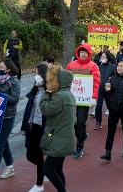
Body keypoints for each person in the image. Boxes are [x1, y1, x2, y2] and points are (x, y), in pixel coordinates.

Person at [40, 64, 76, 192]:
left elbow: (46, 109)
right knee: (57, 169)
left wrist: (46, 94)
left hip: (59, 138)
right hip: (65, 137)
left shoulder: (59, 96)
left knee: (48, 169)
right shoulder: (68, 94)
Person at [66, 43, 100, 159]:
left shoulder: (93, 66)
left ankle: (80, 146)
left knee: (80, 122)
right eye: (81, 52)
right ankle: (82, 136)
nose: (83, 54)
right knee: (73, 123)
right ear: (78, 53)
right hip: (72, 99)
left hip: (84, 101)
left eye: (85, 52)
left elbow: (96, 83)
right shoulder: (71, 65)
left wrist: (94, 97)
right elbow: (66, 80)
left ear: (89, 53)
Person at [23, 64, 48, 192]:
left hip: (43, 127)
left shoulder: (49, 91)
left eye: (38, 73)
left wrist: (44, 86)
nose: (36, 76)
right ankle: (46, 170)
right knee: (29, 155)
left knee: (38, 155)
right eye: (35, 73)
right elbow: (29, 108)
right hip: (31, 125)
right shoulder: (35, 89)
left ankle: (39, 184)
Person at [100, 60, 123, 161]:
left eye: (122, 66)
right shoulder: (112, 78)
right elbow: (108, 93)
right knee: (111, 131)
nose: (119, 68)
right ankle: (108, 152)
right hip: (113, 109)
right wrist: (110, 104)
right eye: (118, 66)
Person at [95, 52, 116, 130]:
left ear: (108, 58)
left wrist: (111, 79)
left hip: (108, 89)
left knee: (110, 106)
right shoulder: (98, 66)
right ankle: (98, 122)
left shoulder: (113, 67)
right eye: (102, 57)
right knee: (98, 106)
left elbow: (115, 77)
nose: (103, 58)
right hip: (100, 89)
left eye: (104, 57)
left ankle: (113, 121)